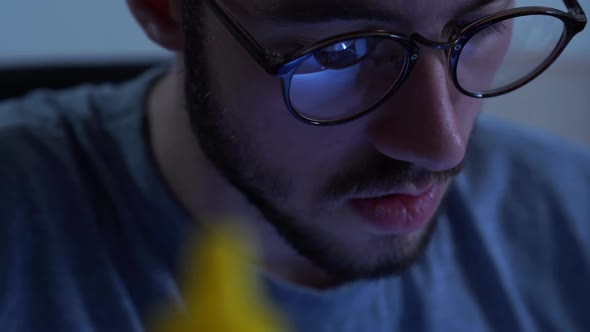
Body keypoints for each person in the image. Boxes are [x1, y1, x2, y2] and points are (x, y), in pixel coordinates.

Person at [0, 0, 588, 330]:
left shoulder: (574, 212)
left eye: (476, 29)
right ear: (166, 9)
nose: (443, 146)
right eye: (340, 50)